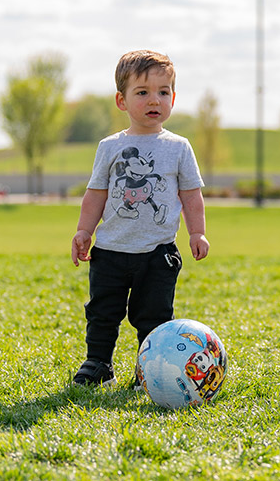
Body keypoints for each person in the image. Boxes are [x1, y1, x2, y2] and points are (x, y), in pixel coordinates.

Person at [70, 50, 210, 387]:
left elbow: (191, 195)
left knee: (154, 316)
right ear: (122, 100)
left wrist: (197, 233)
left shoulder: (178, 147)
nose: (154, 100)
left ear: (173, 98)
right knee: (103, 312)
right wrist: (84, 230)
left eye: (163, 92)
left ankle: (149, 369)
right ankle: (98, 362)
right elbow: (97, 193)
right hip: (110, 251)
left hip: (157, 253)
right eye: (143, 92)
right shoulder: (109, 147)